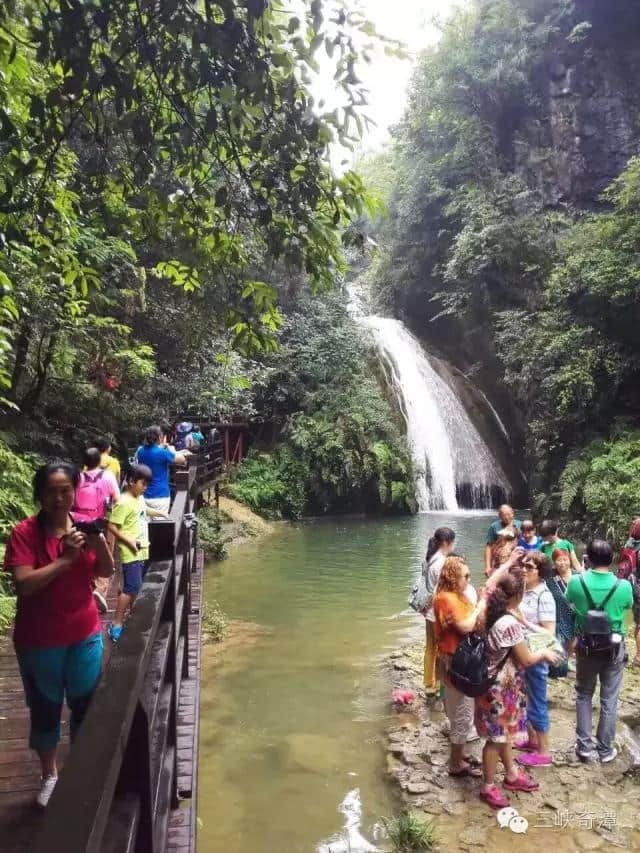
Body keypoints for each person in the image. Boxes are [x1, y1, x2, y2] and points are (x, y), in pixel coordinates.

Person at [3, 461, 114, 808]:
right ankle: (49, 774)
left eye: (66, 489)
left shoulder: (83, 526)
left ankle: (79, 772)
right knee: (46, 709)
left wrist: (98, 540)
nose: (59, 496)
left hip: (84, 632)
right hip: (39, 641)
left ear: (75, 491)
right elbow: (23, 584)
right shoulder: (24, 533)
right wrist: (66, 560)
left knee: (85, 705)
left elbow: (106, 569)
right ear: (40, 494)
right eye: (51, 490)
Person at [475, 568, 559, 809]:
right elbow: (526, 660)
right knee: (495, 740)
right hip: (502, 688)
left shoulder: (491, 614)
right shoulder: (509, 623)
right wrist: (544, 653)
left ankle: (511, 773)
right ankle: (488, 786)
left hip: (491, 684)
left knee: (503, 735)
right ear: (518, 595)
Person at [567, 539, 633, 763]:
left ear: (589, 559)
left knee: (584, 694)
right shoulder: (623, 586)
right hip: (614, 647)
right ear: (612, 559)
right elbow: (627, 606)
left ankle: (584, 747)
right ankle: (605, 750)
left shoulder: (576, 582)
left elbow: (570, 604)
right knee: (609, 699)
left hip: (586, 647)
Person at [433, 556, 487, 776]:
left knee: (460, 710)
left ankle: (460, 753)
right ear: (453, 576)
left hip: (459, 661)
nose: (468, 579)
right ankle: (455, 764)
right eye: (465, 575)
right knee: (463, 713)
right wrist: (481, 605)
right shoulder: (446, 598)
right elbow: (465, 626)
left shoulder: (457, 596)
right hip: (455, 662)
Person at [107, 464, 166, 642]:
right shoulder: (123, 501)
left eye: (148, 484)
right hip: (131, 551)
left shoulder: (138, 498)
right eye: (143, 483)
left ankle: (133, 616)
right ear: (131, 481)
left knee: (135, 586)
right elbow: (111, 526)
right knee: (130, 589)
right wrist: (129, 541)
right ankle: (116, 623)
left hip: (142, 549)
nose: (145, 487)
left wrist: (159, 513)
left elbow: (143, 510)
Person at [513, 551, 556, 767]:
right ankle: (532, 740)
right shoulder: (524, 590)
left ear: (541, 572)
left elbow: (549, 633)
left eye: (530, 567)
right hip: (523, 652)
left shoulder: (544, 595)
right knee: (526, 698)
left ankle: (544, 752)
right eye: (524, 565)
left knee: (538, 700)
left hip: (537, 655)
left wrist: (524, 622)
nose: (524, 569)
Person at [74, 448, 120, 614]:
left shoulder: (77, 477)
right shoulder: (107, 476)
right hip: (99, 522)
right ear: (99, 460)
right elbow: (116, 499)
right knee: (104, 554)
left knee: (84, 554)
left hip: (78, 521)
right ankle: (99, 591)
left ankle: (86, 588)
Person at [422, 527, 456, 696]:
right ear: (445, 543)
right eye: (452, 543)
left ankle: (429, 683)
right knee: (440, 649)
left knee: (430, 647)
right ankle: (437, 684)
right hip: (438, 612)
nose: (453, 546)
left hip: (428, 611)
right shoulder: (442, 561)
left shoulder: (430, 558)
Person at [136, 425, 189, 516]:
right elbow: (182, 460)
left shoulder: (140, 452)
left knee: (145, 524)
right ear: (160, 437)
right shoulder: (162, 453)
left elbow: (150, 450)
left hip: (143, 494)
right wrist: (172, 450)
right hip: (160, 496)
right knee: (160, 526)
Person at [546, 547, 577, 657]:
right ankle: (564, 661)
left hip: (576, 615)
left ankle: (571, 657)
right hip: (558, 615)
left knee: (574, 639)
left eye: (565, 559)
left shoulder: (578, 577)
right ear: (554, 562)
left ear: (569, 560)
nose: (562, 563)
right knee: (560, 643)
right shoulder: (549, 578)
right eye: (559, 560)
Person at [620, 518, 640, 667]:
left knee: (625, 621)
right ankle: (639, 657)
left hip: (625, 586)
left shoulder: (629, 544)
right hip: (638, 589)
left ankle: (622, 652)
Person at [484, 504, 521, 576]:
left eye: (509, 514)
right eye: (504, 515)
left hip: (516, 560)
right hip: (499, 560)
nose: (507, 517)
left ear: (513, 513)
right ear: (499, 516)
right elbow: (488, 546)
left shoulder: (520, 524)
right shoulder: (494, 526)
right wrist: (488, 567)